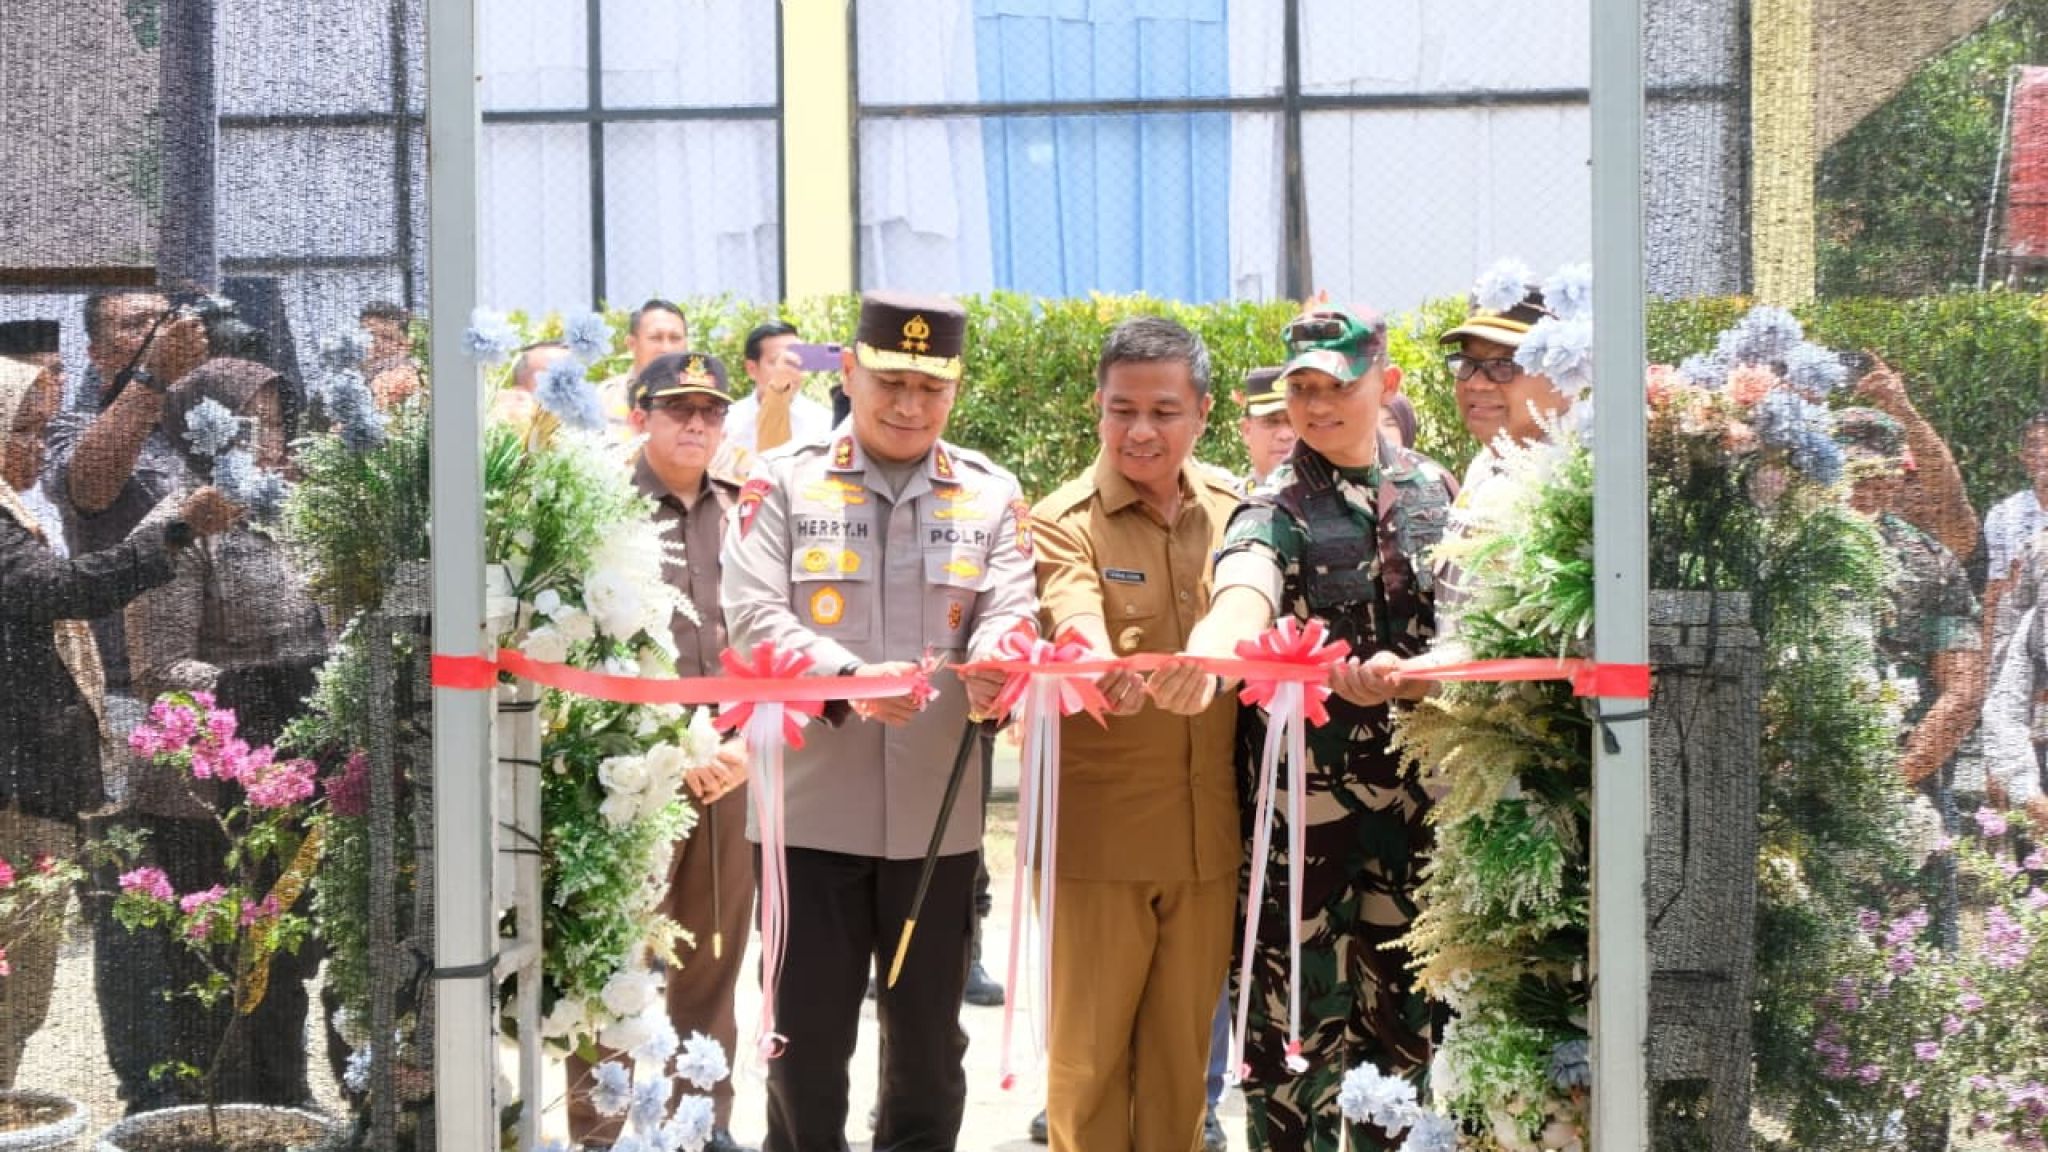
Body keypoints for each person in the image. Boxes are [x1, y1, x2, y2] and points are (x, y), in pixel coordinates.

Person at [720, 290, 1036, 1152]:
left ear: (955, 391)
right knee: (804, 1045)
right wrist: (850, 680)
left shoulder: (991, 493)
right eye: (890, 381)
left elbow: (1013, 604)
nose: (908, 405)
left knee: (931, 1050)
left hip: (939, 818)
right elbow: (751, 617)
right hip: (810, 816)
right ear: (850, 372)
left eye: (931, 389)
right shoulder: (780, 482)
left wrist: (1004, 653)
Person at [1150, 305, 1456, 1152]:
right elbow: (1244, 585)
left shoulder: (1437, 491)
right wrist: (1210, 652)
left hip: (1418, 816)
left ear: (1386, 385)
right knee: (1294, 1035)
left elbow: (1470, 619)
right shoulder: (1277, 501)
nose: (1316, 408)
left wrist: (1422, 670)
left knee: (1410, 1023)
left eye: (1337, 387)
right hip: (1302, 828)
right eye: (1303, 390)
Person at [1028, 317, 1240, 1152]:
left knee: (1183, 1067)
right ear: (1098, 410)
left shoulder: (1236, 514)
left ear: (1203, 413)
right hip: (1099, 845)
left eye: (1163, 410)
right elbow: (1070, 610)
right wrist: (1086, 656)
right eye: (1121, 411)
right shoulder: (1062, 520)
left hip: (1207, 841)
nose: (1140, 431)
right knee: (1088, 1066)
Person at [0, 357, 229, 1087]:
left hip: (30, 775)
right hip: (15, 784)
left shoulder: (14, 508)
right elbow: (55, 590)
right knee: (16, 972)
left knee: (23, 981)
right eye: (25, 431)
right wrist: (168, 538)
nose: (38, 449)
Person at [106, 359, 326, 1112]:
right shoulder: (174, 527)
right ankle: (220, 1112)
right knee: (215, 968)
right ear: (205, 429)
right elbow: (160, 667)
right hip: (203, 797)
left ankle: (287, 1097)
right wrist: (250, 692)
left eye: (275, 418)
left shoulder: (289, 513)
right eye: (249, 420)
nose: (269, 437)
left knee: (285, 956)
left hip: (289, 774)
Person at [565, 351, 756, 1152]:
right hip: (632, 771)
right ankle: (597, 1128)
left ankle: (700, 1121)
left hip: (731, 770)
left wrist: (741, 743)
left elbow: (768, 637)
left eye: (711, 411)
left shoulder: (749, 511)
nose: (697, 424)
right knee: (612, 955)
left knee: (711, 960)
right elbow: (579, 647)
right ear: (640, 413)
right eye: (679, 408)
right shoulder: (601, 508)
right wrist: (674, 748)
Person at [727, 322, 833, 457]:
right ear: (752, 369)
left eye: (794, 359)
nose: (787, 368)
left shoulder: (823, 422)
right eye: (777, 361)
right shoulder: (729, 422)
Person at [598, 300, 690, 437]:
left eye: (675, 338)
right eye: (656, 338)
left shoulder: (702, 399)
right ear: (632, 344)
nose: (666, 349)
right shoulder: (604, 399)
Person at [1983, 412, 2048, 592]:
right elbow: (1997, 585)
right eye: (2034, 445)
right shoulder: (2003, 514)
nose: (2043, 453)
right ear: (2023, 456)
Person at [1235, 365, 1294, 492]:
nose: (1286, 435)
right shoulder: (1229, 503)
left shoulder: (1340, 500)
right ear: (1247, 431)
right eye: (1271, 421)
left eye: (1294, 422)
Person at [359, 301, 422, 408]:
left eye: (386, 338)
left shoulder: (404, 377)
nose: (376, 344)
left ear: (406, 345)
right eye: (369, 336)